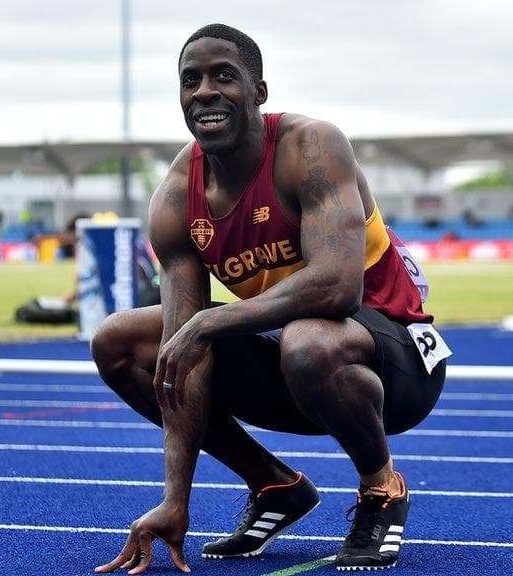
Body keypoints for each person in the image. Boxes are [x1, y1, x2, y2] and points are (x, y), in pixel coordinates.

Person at [90, 23, 448, 574]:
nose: (204, 91)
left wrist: (211, 324)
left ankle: (382, 487)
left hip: (393, 362)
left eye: (223, 76)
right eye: (190, 81)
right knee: (119, 340)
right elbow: (179, 357)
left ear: (258, 92)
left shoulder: (311, 147)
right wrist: (175, 498)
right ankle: (273, 484)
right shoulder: (175, 198)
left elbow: (337, 286)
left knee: (306, 339)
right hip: (294, 365)